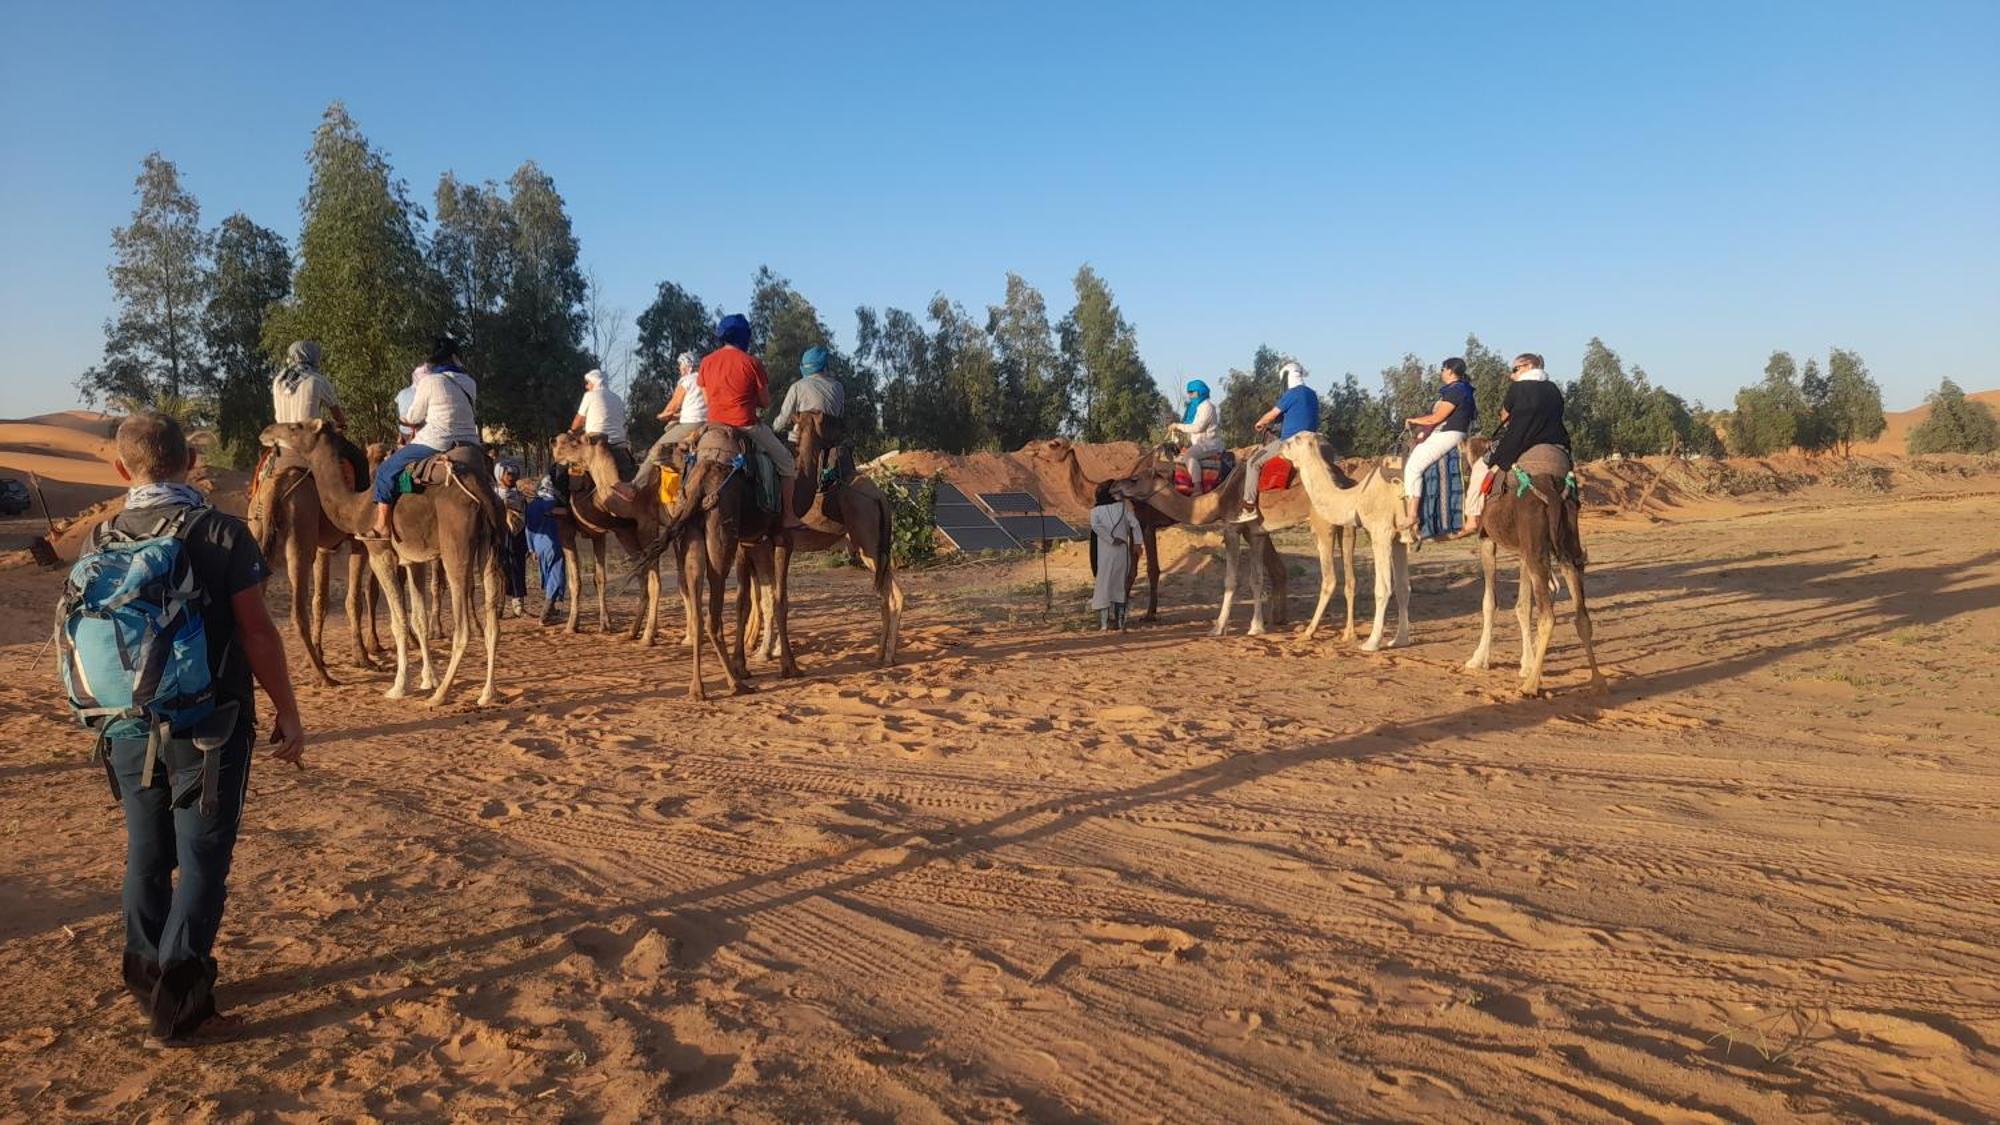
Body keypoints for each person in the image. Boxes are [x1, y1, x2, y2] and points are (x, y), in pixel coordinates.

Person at [96, 412, 305, 1046]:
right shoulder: (220, 531)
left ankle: (146, 977)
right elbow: (258, 632)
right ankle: (180, 1006)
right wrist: (288, 710)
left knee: (147, 853)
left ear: (121, 468)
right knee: (204, 860)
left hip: (125, 724)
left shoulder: (103, 534)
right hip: (212, 726)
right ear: (191, 461)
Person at [698, 313, 803, 529]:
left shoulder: (706, 362)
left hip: (713, 426)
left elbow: (707, 399)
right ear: (745, 337)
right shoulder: (752, 362)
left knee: (686, 458)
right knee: (786, 462)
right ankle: (789, 516)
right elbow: (764, 401)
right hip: (746, 425)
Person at [367, 338, 479, 539]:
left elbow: (414, 417)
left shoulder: (429, 381)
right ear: (455, 357)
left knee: (386, 469)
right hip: (471, 442)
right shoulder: (470, 382)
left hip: (437, 441)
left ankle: (382, 524)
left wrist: (405, 419)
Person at [1466, 353, 1571, 531]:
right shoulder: (1553, 388)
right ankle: (1572, 503)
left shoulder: (1518, 388)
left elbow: (1505, 416)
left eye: (1515, 369)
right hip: (1556, 440)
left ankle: (1472, 518)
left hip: (1519, 440)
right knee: (1569, 473)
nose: (1512, 375)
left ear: (1529, 366)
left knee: (1479, 469)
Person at [1398, 357, 1478, 539]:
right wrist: (1423, 434)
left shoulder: (1456, 390)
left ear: (1450, 371)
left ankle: (1412, 514)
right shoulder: (1457, 390)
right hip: (1445, 432)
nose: (1441, 373)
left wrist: (1414, 420)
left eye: (1443, 369)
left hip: (1450, 433)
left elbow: (1437, 418)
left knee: (1413, 467)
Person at [1234, 361, 1319, 522]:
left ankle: (1249, 506)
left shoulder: (1291, 394)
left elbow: (1272, 415)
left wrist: (1260, 422)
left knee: (1253, 462)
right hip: (1312, 440)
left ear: (1286, 378)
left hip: (1291, 443)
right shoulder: (1312, 394)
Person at [628, 351, 707, 500]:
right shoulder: (705, 379)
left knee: (656, 449)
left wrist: (663, 414)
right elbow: (697, 407)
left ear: (687, 366)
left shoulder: (686, 380)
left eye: (680, 365)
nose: (679, 368)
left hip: (690, 424)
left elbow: (674, 405)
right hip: (705, 423)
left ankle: (635, 486)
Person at [1089, 480, 1143, 631]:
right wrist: (1138, 543)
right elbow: (1136, 525)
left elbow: (1096, 527)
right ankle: (1120, 624)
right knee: (1119, 586)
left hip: (1104, 554)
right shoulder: (1123, 509)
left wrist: (1111, 540)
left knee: (1103, 586)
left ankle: (1104, 625)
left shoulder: (1094, 512)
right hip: (1122, 552)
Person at [568, 368, 635, 479]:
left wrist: (571, 432)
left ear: (594, 383)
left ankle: (571, 492)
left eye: (588, 383)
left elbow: (578, 421)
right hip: (620, 447)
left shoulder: (590, 396)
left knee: (571, 465)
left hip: (596, 444)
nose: (586, 386)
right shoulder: (618, 399)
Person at [772, 345, 846, 444]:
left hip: (805, 444)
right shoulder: (839, 387)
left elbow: (781, 422)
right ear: (825, 366)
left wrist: (774, 430)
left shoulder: (797, 387)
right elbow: (840, 416)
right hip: (831, 443)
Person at [523, 472, 569, 625]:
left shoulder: (531, 506)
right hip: (551, 543)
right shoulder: (549, 502)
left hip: (538, 545)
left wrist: (531, 549)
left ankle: (553, 609)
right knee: (556, 575)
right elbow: (564, 511)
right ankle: (545, 615)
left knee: (549, 574)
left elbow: (527, 529)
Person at [270, 340, 346, 429]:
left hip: (282, 437)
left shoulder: (278, 381)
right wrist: (340, 426)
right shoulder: (317, 380)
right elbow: (338, 417)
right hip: (308, 438)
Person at [1166, 378, 1222, 493]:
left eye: (1192, 392)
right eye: (1188, 392)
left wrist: (1178, 426)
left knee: (1189, 456)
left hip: (1209, 444)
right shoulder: (1195, 408)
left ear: (1199, 392)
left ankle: (1197, 487)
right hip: (1199, 443)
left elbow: (1198, 427)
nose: (1189, 395)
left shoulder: (1207, 407)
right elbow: (1191, 427)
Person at [494, 459, 528, 618]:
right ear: (499, 475)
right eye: (508, 474)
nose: (512, 477)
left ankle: (518, 605)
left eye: (514, 474)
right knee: (499, 571)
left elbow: (526, 517)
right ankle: (498, 606)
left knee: (518, 569)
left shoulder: (521, 495)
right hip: (498, 537)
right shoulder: (492, 495)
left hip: (517, 536)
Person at [393, 363, 428, 446]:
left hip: (404, 431)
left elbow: (399, 412)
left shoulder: (401, 393)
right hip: (419, 432)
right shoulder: (425, 392)